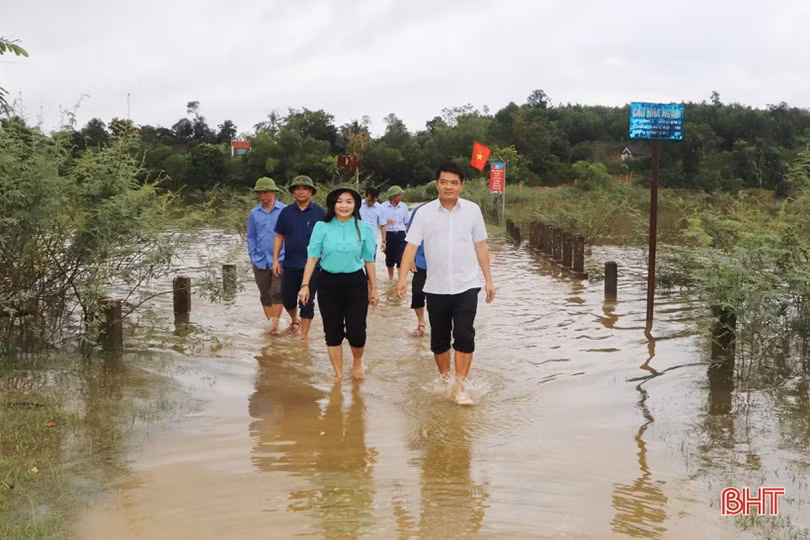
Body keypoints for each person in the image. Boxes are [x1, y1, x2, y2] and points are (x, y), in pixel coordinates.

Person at [396, 163, 495, 405]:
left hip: (467, 284)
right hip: (436, 286)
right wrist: (401, 278)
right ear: (437, 183)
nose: (449, 186)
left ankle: (460, 387)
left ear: (461, 185)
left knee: (464, 334)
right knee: (439, 339)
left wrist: (489, 280)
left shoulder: (472, 210)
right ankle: (445, 378)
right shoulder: (424, 213)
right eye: (444, 182)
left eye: (454, 182)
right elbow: (411, 246)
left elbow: (481, 245)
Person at [299, 184, 378, 382]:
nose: (344, 206)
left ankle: (357, 361)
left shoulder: (364, 228)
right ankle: (338, 374)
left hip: (355, 283)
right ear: (332, 204)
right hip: (328, 283)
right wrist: (305, 285)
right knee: (332, 331)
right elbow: (312, 257)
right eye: (339, 201)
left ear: (356, 205)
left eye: (349, 201)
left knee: (356, 331)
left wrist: (374, 289)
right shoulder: (321, 227)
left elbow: (369, 260)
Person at [273, 175, 325, 341]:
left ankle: (304, 337)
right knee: (288, 299)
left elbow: (328, 238)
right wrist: (275, 259)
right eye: (298, 188)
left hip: (313, 266)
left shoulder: (320, 213)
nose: (301, 191)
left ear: (310, 191)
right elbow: (279, 236)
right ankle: (294, 320)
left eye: (305, 188)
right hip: (290, 264)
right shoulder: (286, 212)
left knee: (307, 302)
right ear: (293, 192)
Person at [246, 177, 287, 334]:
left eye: (265, 192)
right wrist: (253, 255)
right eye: (259, 193)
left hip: (281, 258)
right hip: (260, 259)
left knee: (277, 292)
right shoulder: (254, 214)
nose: (262, 196)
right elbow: (251, 236)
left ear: (273, 192)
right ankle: (271, 324)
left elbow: (289, 234)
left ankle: (275, 325)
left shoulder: (284, 210)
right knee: (265, 294)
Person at [406, 181, 438, 338]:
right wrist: (410, 259)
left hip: (441, 264)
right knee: (418, 293)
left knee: (439, 297)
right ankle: (421, 322)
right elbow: (410, 235)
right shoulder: (419, 211)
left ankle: (440, 324)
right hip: (421, 261)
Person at [381, 185, 410, 280]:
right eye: (399, 195)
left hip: (401, 234)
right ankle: (391, 279)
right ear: (393, 196)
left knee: (401, 258)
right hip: (388, 234)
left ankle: (400, 279)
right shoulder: (382, 207)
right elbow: (379, 222)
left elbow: (407, 223)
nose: (400, 197)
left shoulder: (404, 206)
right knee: (389, 259)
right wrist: (386, 220)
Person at [359, 186, 387, 257]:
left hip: (371, 241)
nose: (371, 203)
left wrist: (383, 241)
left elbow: (383, 225)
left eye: (373, 201)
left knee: (370, 264)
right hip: (357, 240)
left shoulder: (380, 208)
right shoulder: (358, 205)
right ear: (366, 196)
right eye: (369, 200)